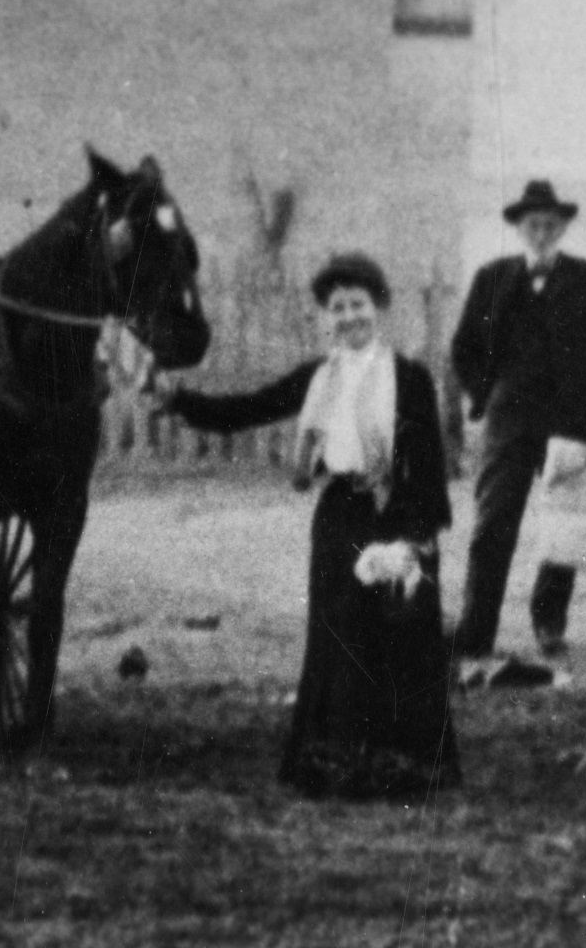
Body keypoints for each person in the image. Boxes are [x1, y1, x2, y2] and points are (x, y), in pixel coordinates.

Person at [155, 251, 459, 799]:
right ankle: (338, 759)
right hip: (340, 514)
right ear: (326, 317)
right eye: (337, 308)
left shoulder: (408, 378)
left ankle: (404, 764)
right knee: (340, 635)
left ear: (380, 308)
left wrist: (415, 540)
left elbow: (430, 462)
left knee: (399, 631)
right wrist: (179, 401)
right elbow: (247, 409)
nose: (349, 318)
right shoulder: (318, 379)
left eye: (358, 305)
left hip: (396, 510)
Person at [446, 178, 586, 673]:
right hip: (509, 421)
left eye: (551, 224)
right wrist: (484, 395)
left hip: (568, 422)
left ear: (563, 227)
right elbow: (464, 346)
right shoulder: (494, 278)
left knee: (562, 527)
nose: (542, 232)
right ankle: (476, 631)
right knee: (493, 524)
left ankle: (549, 626)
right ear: (519, 229)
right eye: (533, 224)